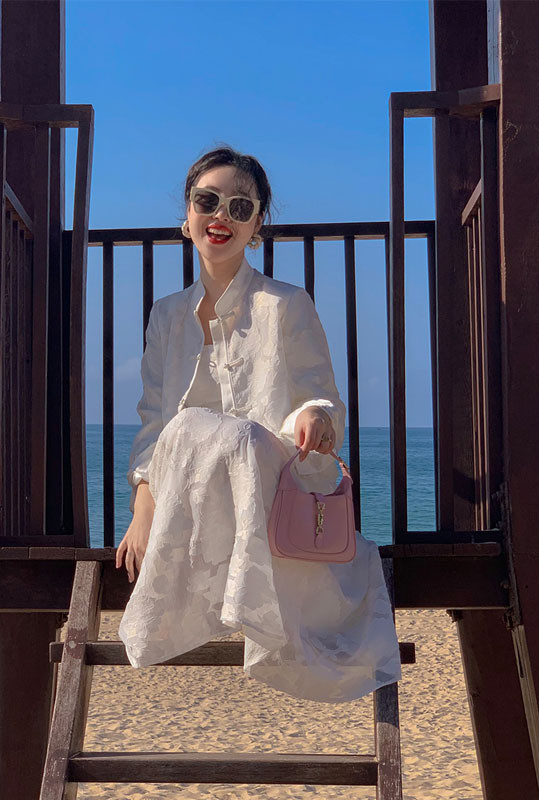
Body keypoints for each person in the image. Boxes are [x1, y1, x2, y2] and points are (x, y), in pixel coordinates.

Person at [115, 146, 402, 703]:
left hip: (267, 487)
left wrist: (314, 415)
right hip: (189, 495)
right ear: (187, 215)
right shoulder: (166, 316)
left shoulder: (286, 304)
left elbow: (321, 397)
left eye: (240, 207)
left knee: (234, 433)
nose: (221, 216)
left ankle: (247, 604)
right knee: (189, 427)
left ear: (256, 227)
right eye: (207, 201)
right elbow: (153, 422)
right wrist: (143, 509)